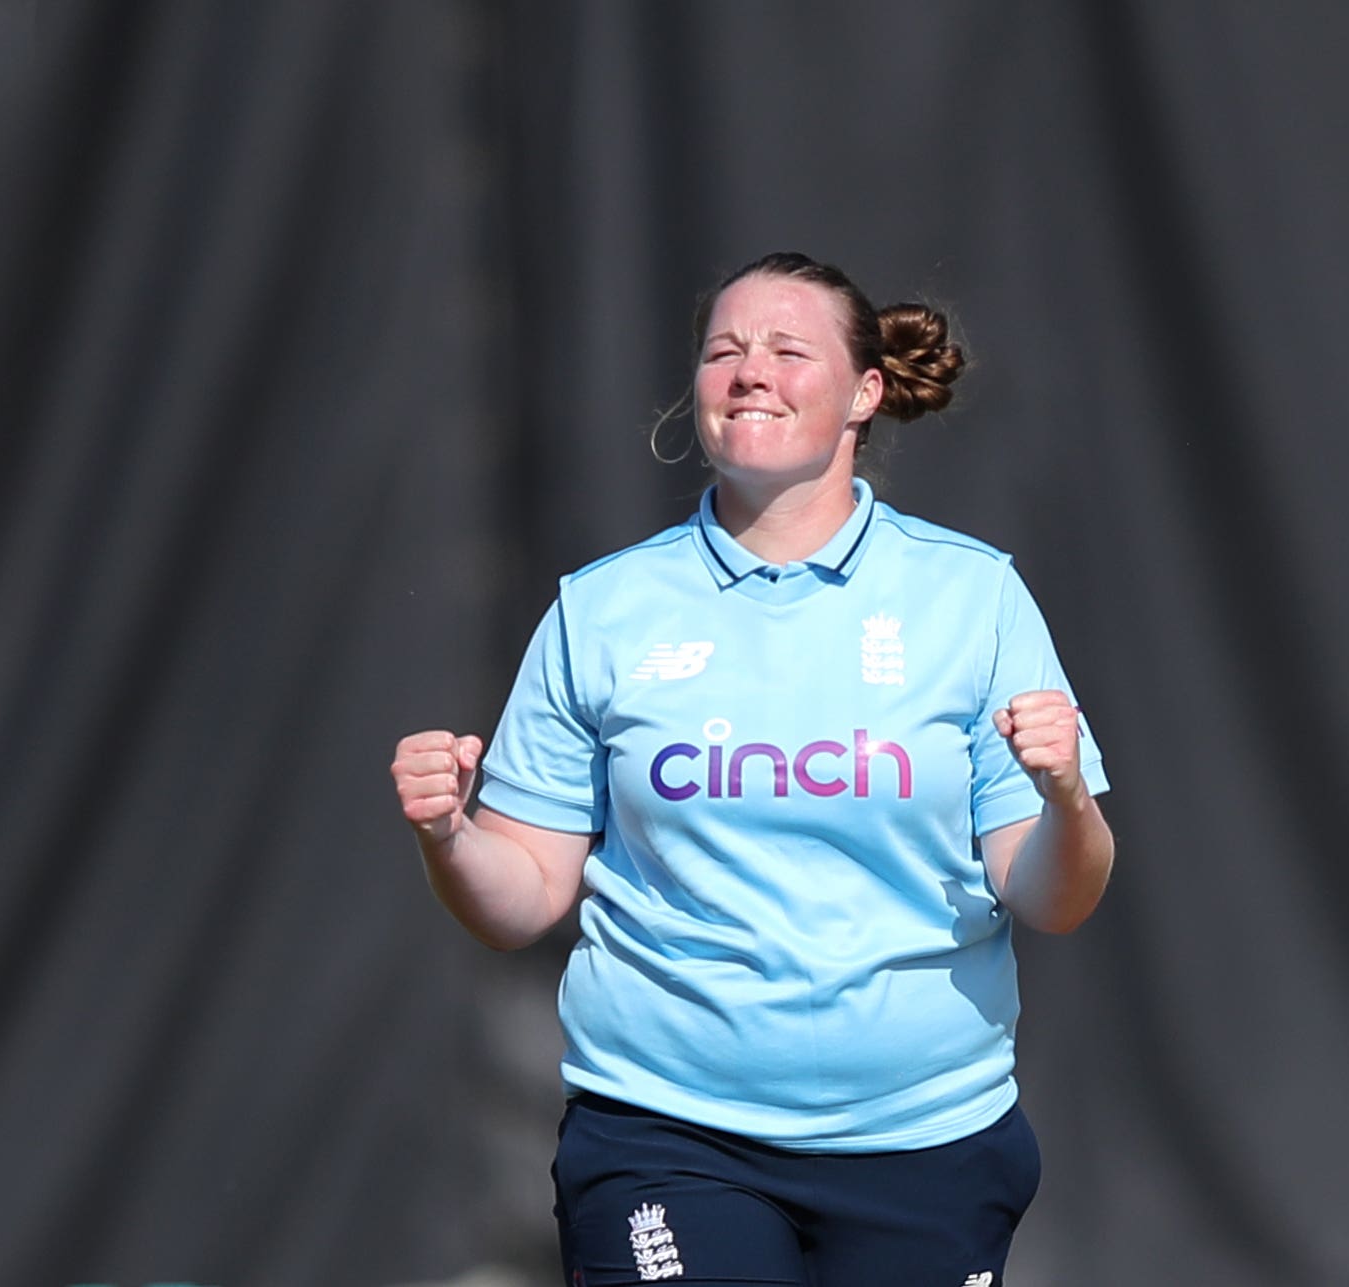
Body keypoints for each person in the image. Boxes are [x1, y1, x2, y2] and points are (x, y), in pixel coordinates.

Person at [391, 251, 1113, 1287]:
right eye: (724, 350)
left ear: (865, 391)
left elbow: (1052, 897)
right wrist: (449, 837)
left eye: (786, 350)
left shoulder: (972, 597)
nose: (749, 372)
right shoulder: (602, 610)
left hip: (926, 1142)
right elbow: (522, 898)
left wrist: (1063, 798)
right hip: (668, 1136)